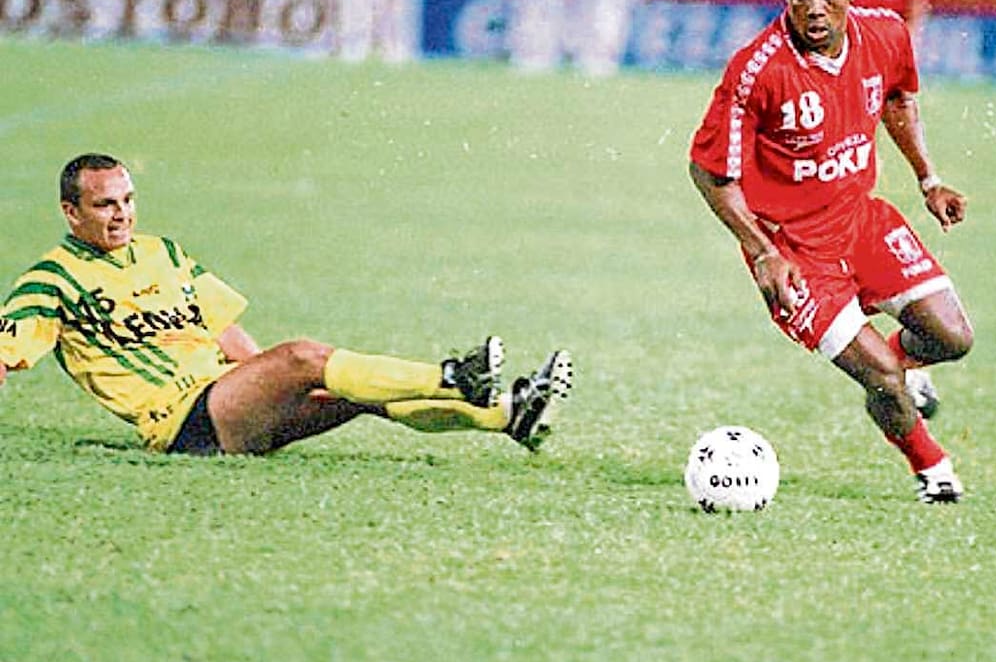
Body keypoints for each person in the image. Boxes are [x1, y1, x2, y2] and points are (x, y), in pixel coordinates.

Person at [0, 154, 572, 456]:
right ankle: (454, 376)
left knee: (353, 393)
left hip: (228, 399)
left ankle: (506, 417)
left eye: (127, 199)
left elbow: (225, 329)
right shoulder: (51, 280)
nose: (122, 213)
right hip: (181, 421)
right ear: (71, 213)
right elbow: (6, 353)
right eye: (104, 205)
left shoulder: (163, 253)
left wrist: (263, 375)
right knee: (302, 356)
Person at [688, 0, 973, 503]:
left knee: (952, 337)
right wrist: (764, 252)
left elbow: (898, 98)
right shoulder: (756, 70)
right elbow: (709, 171)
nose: (814, 9)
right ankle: (934, 471)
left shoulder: (887, 33)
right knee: (883, 382)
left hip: (862, 221)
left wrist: (928, 177)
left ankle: (893, 367)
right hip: (794, 254)